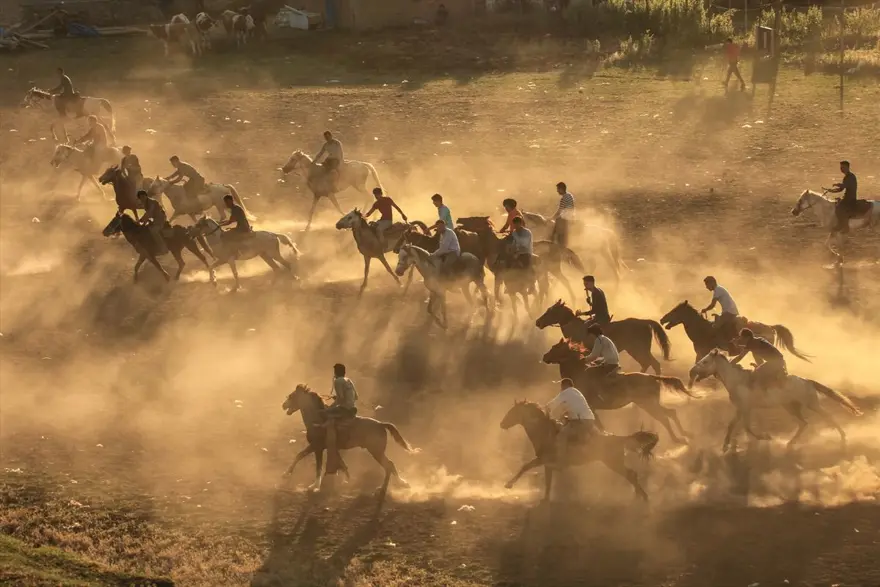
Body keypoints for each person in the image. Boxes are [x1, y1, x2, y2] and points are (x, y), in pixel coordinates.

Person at [545, 377, 598, 467]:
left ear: (564, 385)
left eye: (561, 386)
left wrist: (544, 409)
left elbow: (552, 404)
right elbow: (573, 407)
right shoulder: (576, 392)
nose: (561, 388)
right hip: (590, 420)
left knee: (561, 436)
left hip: (580, 422)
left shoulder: (566, 392)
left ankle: (561, 462)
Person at [323, 363, 359, 475]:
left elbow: (341, 400)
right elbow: (356, 397)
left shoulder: (338, 381)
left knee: (326, 415)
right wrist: (337, 397)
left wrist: (329, 408)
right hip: (352, 408)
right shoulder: (349, 380)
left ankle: (332, 443)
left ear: (335, 372)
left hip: (345, 409)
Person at [731, 328, 788, 393]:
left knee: (756, 375)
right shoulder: (756, 341)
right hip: (778, 361)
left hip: (775, 362)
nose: (741, 339)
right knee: (758, 372)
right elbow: (750, 352)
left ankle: (761, 392)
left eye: (742, 338)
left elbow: (740, 357)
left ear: (747, 337)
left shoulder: (752, 344)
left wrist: (729, 364)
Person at [700, 276, 739, 341]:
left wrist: (705, 309)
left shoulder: (717, 290)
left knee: (715, 327)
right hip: (729, 311)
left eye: (707, 284)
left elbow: (712, 305)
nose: (706, 287)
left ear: (712, 283)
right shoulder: (719, 289)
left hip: (729, 312)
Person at [825, 160, 858, 234]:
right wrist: (831, 190)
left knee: (839, 208)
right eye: (841, 168)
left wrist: (837, 184)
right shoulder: (846, 177)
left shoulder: (850, 176)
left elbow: (845, 186)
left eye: (843, 167)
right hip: (847, 197)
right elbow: (840, 189)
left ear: (847, 167)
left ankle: (844, 226)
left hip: (850, 198)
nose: (841, 169)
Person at [550, 181, 575, 247]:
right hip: (571, 217)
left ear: (561, 189)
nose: (557, 191)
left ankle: (552, 242)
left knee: (553, 232)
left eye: (558, 189)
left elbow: (559, 211)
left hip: (565, 218)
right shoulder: (570, 195)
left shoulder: (563, 198)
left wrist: (552, 218)